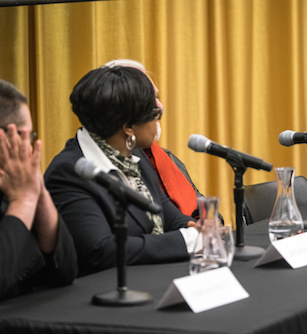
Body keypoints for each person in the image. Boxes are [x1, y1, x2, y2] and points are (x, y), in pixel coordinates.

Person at [44, 66, 200, 277]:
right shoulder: (69, 172)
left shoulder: (133, 154)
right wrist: (185, 240)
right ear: (128, 127)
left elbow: (163, 210)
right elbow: (101, 250)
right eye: (154, 115)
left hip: (152, 276)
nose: (158, 120)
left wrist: (194, 228)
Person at [0, 79, 77, 300]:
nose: (30, 146)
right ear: (11, 136)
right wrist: (23, 201)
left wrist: (37, 189)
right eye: (29, 137)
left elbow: (65, 272)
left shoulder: (13, 183)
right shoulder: (18, 193)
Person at [103, 59, 203, 219]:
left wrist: (212, 220)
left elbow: (198, 201)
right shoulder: (114, 166)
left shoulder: (165, 157)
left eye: (157, 96)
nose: (160, 106)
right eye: (149, 99)